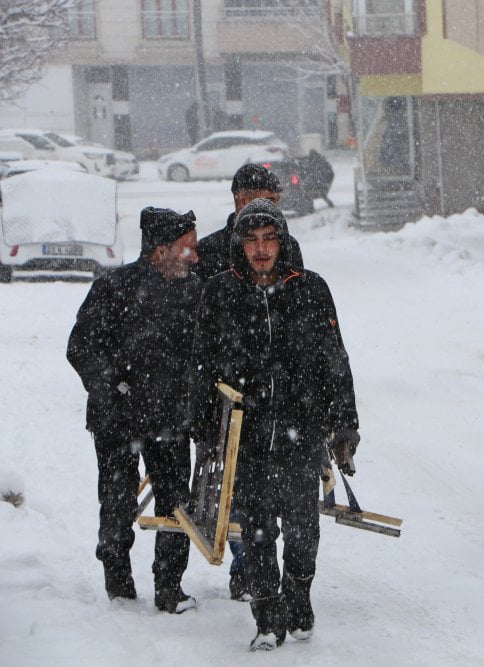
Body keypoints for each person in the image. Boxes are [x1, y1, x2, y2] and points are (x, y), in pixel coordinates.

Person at [188, 198, 360, 651]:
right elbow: (202, 366)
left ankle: (299, 595)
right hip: (245, 436)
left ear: (281, 242)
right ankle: (267, 619)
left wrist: (345, 424)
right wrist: (204, 426)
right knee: (259, 530)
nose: (261, 249)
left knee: (304, 530)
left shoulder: (310, 289)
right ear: (239, 245)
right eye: (252, 240)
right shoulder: (220, 293)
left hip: (300, 432)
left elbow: (335, 361)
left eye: (269, 239)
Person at [67, 207, 201, 614]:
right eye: (186, 249)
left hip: (171, 422)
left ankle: (169, 588)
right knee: (117, 500)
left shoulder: (195, 291)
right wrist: (113, 390)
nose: (194, 257)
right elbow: (81, 348)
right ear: (160, 251)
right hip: (117, 422)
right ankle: (119, 584)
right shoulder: (113, 288)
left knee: (176, 504)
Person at [191, 162, 306, 600]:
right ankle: (248, 570)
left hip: (280, 395)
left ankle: (265, 574)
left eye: (273, 202)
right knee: (235, 488)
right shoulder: (212, 251)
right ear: (237, 199)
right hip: (233, 391)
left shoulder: (287, 246)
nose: (263, 208)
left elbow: (300, 310)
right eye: (256, 198)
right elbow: (200, 326)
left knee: (278, 498)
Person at [193, 163, 304, 280]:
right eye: (269, 201)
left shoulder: (288, 244)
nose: (275, 208)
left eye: (276, 202)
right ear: (242, 200)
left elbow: (298, 288)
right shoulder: (209, 249)